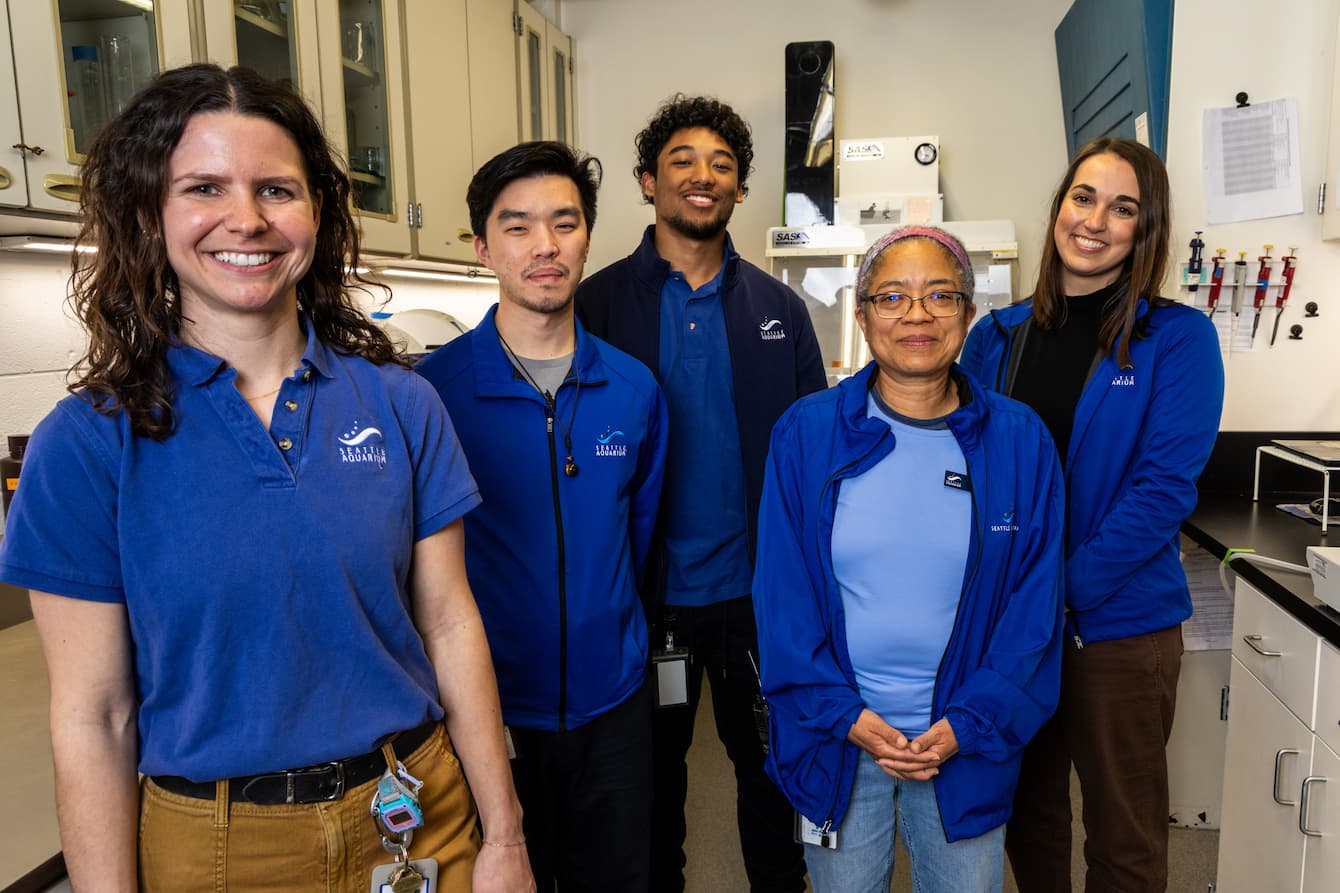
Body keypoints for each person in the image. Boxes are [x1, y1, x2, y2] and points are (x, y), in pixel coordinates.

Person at [0, 64, 533, 893]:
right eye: (204, 187)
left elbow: (450, 623)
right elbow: (92, 718)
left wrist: (503, 836)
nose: (245, 219)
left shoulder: (402, 403)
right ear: (150, 215)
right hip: (214, 845)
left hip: (418, 812)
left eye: (276, 189)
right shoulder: (87, 443)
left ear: (317, 211)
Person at [753, 225, 1066, 893]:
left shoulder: (1019, 441)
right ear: (862, 315)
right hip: (836, 736)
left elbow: (1031, 612)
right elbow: (783, 597)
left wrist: (967, 725)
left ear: (968, 315)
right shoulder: (807, 433)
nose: (916, 314)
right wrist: (846, 716)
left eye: (940, 296)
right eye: (892, 296)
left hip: (964, 741)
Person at [959, 137, 1225, 892]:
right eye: (1084, 197)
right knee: (1027, 814)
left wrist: (1058, 589)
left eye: (1123, 207)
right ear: (1059, 208)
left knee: (1125, 834)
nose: (1096, 219)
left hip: (1119, 629)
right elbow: (970, 471)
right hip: (1014, 629)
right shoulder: (997, 337)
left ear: (1145, 228)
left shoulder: (1177, 339)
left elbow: (1162, 489)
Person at [576, 94, 825, 892]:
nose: (702, 175)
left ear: (740, 190)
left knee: (773, 786)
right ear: (648, 181)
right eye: (682, 160)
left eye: (721, 164)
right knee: (650, 799)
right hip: (644, 602)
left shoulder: (780, 312)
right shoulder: (596, 306)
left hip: (756, 597)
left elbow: (814, 463)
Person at [415, 141, 669, 891]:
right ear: (483, 245)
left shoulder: (634, 389)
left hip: (615, 708)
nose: (546, 247)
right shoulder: (431, 396)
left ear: (588, 235)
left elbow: (640, 540)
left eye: (564, 222)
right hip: (486, 712)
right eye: (518, 226)